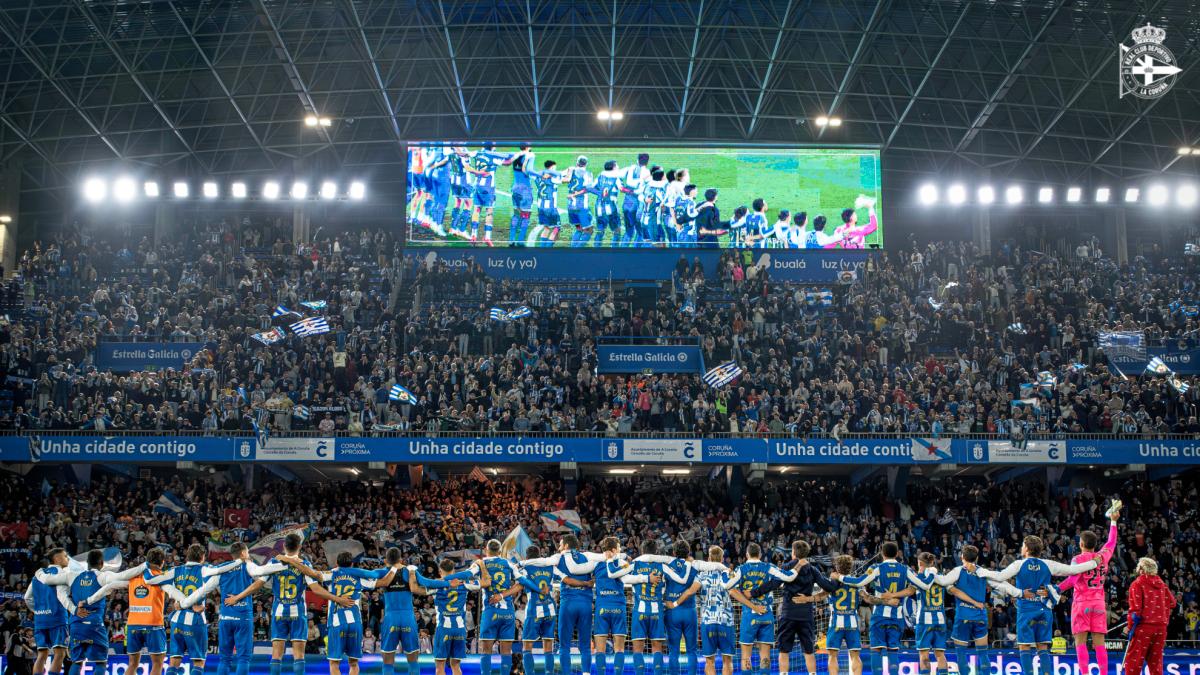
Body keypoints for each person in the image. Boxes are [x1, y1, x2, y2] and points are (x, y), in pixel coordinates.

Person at [974, 536, 1100, 675]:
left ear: (1027, 549)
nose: (1022, 548)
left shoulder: (1019, 564)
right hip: (1044, 611)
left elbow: (999, 577)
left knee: (1024, 647)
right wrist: (1094, 563)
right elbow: (1073, 570)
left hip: (1026, 611)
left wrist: (980, 571)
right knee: (1043, 647)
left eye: (1023, 546)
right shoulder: (1048, 564)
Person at [234, 534, 354, 675]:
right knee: (299, 656)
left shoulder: (274, 562)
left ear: (284, 546)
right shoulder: (304, 565)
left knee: (276, 655)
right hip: (298, 613)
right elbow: (316, 589)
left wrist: (237, 597)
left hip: (278, 613)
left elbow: (257, 585)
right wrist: (338, 599)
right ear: (300, 547)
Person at [34, 550, 150, 675]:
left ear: (87, 563)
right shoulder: (102, 576)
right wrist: (145, 565)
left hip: (76, 625)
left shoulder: (72, 576)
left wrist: (38, 572)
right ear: (102, 563)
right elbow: (123, 575)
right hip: (95, 625)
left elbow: (47, 580)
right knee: (101, 663)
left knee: (77, 662)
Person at [149, 544, 245, 675]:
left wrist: (178, 601)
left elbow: (155, 581)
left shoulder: (175, 570)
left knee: (174, 661)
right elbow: (221, 568)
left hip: (176, 621)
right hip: (195, 620)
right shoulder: (204, 569)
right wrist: (240, 560)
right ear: (202, 557)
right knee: (199, 662)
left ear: (187, 555)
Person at [750, 540, 839, 675]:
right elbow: (830, 587)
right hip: (806, 615)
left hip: (788, 614)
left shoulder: (786, 567)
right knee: (809, 651)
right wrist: (835, 578)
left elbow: (773, 584)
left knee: (784, 651)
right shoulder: (813, 569)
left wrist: (753, 593)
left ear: (793, 552)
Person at [1057, 500, 1121, 675]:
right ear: (1094, 544)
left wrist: (1056, 589)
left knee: (1080, 643)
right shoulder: (1103, 556)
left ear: (1081, 544)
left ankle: (1085, 673)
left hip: (1081, 604)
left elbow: (1071, 581)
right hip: (1099, 604)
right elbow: (1111, 542)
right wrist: (1113, 521)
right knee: (1100, 644)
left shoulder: (1078, 559)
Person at [726, 543, 797, 675]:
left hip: (749, 615)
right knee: (765, 656)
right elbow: (790, 577)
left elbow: (728, 586)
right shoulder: (768, 567)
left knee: (746, 656)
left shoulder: (741, 569)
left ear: (747, 554)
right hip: (766, 614)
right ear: (760, 554)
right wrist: (798, 566)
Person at [410, 558, 490, 675]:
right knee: (456, 666)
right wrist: (481, 565)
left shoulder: (436, 585)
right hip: (459, 630)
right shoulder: (464, 584)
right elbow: (487, 582)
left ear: (440, 571)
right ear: (453, 571)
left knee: (440, 667)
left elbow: (415, 588)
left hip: (443, 629)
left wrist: (412, 571)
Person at [823, 555, 898, 675]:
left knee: (832, 656)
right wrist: (886, 601)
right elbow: (868, 599)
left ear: (836, 567)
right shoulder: (857, 583)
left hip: (835, 622)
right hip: (852, 622)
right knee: (855, 655)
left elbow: (820, 595)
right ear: (851, 567)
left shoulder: (831, 582)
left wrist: (807, 598)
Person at [23, 548, 77, 675]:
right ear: (57, 559)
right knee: (60, 653)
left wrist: (38, 611)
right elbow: (64, 595)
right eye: (65, 556)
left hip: (40, 620)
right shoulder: (63, 573)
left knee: (42, 654)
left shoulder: (37, 576)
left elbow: (27, 598)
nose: (68, 559)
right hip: (57, 618)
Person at [1123, 558, 1176, 675]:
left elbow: (1135, 610)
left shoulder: (1137, 584)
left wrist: (1130, 627)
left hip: (1143, 628)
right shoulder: (1162, 584)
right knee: (1156, 663)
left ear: (1141, 569)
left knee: (1134, 662)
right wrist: (1159, 607)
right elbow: (1173, 603)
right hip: (1161, 628)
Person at [478, 540, 523, 675]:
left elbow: (467, 578)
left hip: (490, 611)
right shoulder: (509, 564)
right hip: (507, 613)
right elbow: (521, 584)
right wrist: (502, 595)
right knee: (506, 652)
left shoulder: (481, 563)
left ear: (486, 550)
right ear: (499, 551)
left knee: (486, 651)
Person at [515, 545, 558, 675]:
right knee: (548, 647)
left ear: (527, 557)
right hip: (550, 609)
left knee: (527, 647)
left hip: (534, 610)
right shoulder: (551, 566)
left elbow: (520, 583)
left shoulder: (524, 568)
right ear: (539, 555)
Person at [695, 546, 736, 675]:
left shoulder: (701, 575)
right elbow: (736, 591)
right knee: (727, 661)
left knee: (709, 662)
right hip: (726, 621)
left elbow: (691, 591)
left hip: (708, 621)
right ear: (722, 559)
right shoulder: (729, 574)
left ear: (709, 558)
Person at [619, 153, 651, 246]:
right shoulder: (648, 173)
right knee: (640, 231)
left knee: (629, 231)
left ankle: (621, 251)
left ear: (637, 160)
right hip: (638, 204)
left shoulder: (630, 168)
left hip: (627, 202)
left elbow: (617, 176)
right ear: (647, 162)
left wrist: (622, 187)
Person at [564, 157, 595, 247]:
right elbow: (588, 188)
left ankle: (573, 249)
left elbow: (562, 178)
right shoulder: (588, 174)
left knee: (579, 229)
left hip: (570, 206)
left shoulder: (570, 171)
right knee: (589, 230)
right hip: (581, 206)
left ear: (577, 163)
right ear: (586, 164)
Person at [508, 144, 536, 246]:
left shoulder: (515, 155)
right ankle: (520, 241)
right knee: (526, 216)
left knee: (516, 214)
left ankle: (511, 240)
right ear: (528, 146)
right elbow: (528, 171)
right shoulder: (531, 155)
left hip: (515, 188)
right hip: (525, 190)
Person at [592, 161, 622, 247]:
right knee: (617, 230)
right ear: (613, 167)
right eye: (617, 166)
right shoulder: (616, 177)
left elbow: (591, 187)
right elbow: (622, 188)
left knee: (600, 230)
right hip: (611, 207)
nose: (618, 167)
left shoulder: (600, 176)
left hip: (599, 206)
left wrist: (600, 193)